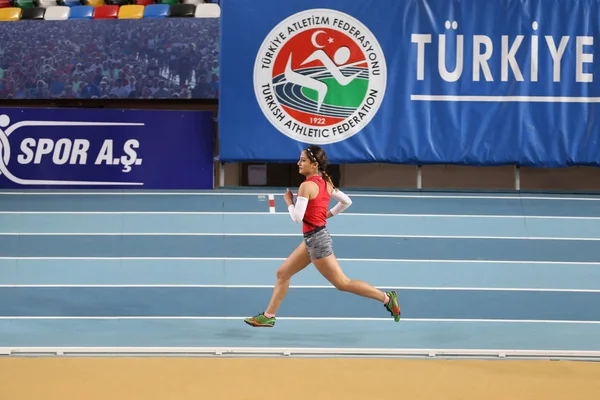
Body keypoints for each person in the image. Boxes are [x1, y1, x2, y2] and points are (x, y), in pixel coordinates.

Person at [244, 145, 401, 327]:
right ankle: (269, 316)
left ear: (314, 164)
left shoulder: (306, 186)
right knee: (282, 273)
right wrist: (329, 214)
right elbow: (346, 202)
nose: (298, 163)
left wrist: (289, 202)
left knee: (343, 283)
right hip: (314, 238)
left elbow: (297, 218)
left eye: (303, 160)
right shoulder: (325, 182)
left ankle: (386, 298)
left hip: (317, 241)